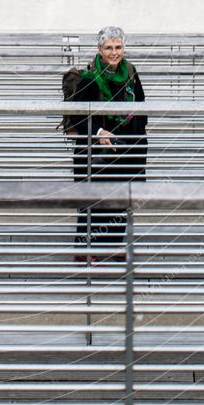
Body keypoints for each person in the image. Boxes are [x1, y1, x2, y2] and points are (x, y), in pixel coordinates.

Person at [70, 26, 147, 262]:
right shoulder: (89, 78)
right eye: (109, 48)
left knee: (120, 199)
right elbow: (77, 116)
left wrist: (133, 132)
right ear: (99, 50)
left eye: (118, 47)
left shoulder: (131, 73)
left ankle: (113, 245)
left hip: (126, 148)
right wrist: (100, 131)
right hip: (98, 148)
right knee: (94, 199)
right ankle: (86, 250)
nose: (114, 52)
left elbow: (142, 106)